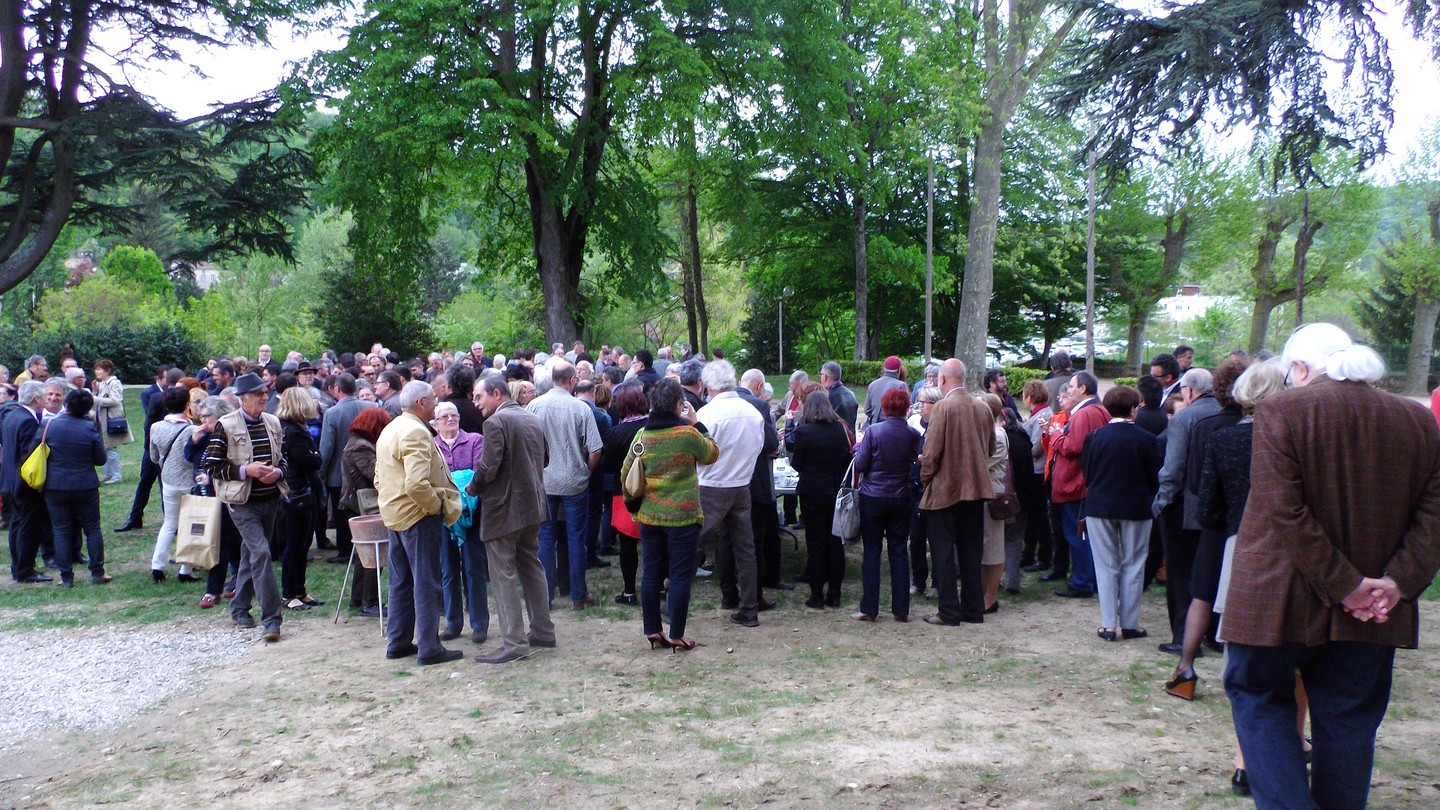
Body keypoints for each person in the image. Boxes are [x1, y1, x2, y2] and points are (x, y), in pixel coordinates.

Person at [1222, 324, 1440, 808]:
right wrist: (1395, 584)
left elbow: (1283, 509)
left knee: (1259, 699)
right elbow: (1433, 515)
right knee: (1349, 720)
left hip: (1279, 598)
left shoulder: (1281, 409)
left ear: (1299, 368)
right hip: (1374, 608)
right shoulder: (1418, 420)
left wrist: (1349, 586)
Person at [620, 378, 719, 651]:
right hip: (683, 518)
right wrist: (696, 422)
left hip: (650, 518)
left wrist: (634, 507)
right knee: (679, 576)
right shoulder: (687, 435)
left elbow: (626, 474)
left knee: (651, 574)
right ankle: (676, 633)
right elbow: (712, 453)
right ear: (679, 405)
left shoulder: (642, 437)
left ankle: (652, 629)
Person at [467, 374, 557, 664]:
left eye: (479, 397)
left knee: (502, 573)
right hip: (532, 506)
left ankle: (514, 643)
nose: (476, 403)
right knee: (531, 565)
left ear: (496, 393)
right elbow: (544, 459)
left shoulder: (496, 422)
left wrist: (472, 487)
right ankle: (542, 631)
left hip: (505, 510)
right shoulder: (530, 417)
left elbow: (488, 466)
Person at [375, 381, 464, 665]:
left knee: (401, 582)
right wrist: (435, 506)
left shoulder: (392, 428)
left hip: (395, 513)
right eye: (434, 400)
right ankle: (429, 647)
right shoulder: (415, 431)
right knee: (426, 583)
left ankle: (398, 642)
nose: (437, 406)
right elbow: (416, 483)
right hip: (417, 516)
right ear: (421, 403)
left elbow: (379, 477)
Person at [202, 372, 289, 642]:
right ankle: (272, 620)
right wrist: (246, 470)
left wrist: (278, 473)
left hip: (270, 498)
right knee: (261, 553)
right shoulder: (225, 425)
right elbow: (211, 465)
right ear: (243, 398)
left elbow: (283, 459)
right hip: (241, 503)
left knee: (251, 554)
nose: (265, 397)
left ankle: (239, 607)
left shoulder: (273, 421)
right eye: (259, 394)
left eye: (266, 393)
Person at [918, 358, 995, 626]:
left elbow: (931, 453)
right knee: (971, 551)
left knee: (943, 552)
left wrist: (925, 477)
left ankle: (948, 611)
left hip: (945, 490)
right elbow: (991, 448)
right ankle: (973, 609)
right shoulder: (983, 407)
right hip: (976, 489)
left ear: (941, 380)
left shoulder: (943, 408)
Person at [1079, 386, 1159, 641]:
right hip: (1136, 507)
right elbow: (1153, 477)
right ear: (1134, 408)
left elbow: (1088, 474)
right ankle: (1131, 623)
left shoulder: (1094, 437)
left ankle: (1108, 624)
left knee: (1106, 565)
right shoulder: (1147, 439)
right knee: (1134, 564)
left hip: (1100, 506)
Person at [695, 360, 769, 626]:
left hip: (711, 485)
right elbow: (760, 447)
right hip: (741, 485)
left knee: (692, 541)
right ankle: (749, 607)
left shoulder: (706, 414)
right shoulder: (754, 413)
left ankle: (670, 592)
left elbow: (699, 453)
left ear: (708, 385)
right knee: (745, 549)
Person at [1152, 367, 1219, 654]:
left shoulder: (1185, 419)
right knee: (1215, 571)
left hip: (1185, 506)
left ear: (1189, 392)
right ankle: (1215, 633)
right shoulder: (1233, 413)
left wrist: (1161, 501)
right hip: (1222, 509)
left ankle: (1184, 635)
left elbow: (1173, 468)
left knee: (1180, 572)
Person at [853, 386, 921, 621]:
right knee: (899, 552)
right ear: (906, 408)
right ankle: (901, 609)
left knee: (872, 552)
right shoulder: (913, 434)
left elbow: (861, 464)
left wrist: (858, 450)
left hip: (873, 496)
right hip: (901, 496)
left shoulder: (873, 432)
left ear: (884, 407)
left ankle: (869, 607)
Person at [787, 389, 854, 609]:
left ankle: (816, 595)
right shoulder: (840, 429)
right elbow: (847, 458)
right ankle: (834, 593)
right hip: (835, 492)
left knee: (816, 543)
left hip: (812, 492)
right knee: (835, 542)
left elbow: (797, 464)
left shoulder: (805, 432)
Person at [433, 400, 489, 643]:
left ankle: (479, 624)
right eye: (444, 417)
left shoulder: (475, 440)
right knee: (447, 568)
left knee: (473, 568)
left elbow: (477, 473)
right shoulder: (431, 446)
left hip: (471, 515)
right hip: (442, 515)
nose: (450, 419)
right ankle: (453, 623)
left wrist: (453, 485)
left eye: (453, 415)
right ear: (435, 425)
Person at [1049, 371, 1109, 599]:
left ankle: (1082, 581)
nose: (1069, 390)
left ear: (1083, 389)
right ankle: (1090, 579)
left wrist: (1055, 435)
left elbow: (1073, 447)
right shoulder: (1100, 410)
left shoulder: (1085, 414)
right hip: (1089, 483)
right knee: (1087, 535)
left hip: (1076, 484)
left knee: (1078, 535)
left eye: (1072, 386)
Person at [43, 389, 109, 586]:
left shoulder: (50, 425)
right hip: (85, 485)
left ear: (67, 404)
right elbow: (100, 459)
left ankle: (66, 576)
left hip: (56, 485)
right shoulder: (89, 428)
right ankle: (97, 571)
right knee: (92, 529)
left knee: (61, 530)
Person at [598, 383, 650, 605]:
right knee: (655, 542)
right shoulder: (653, 428)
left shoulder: (617, 432)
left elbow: (607, 465)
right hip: (654, 492)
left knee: (627, 545)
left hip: (625, 493)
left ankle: (629, 592)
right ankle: (658, 588)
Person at [190, 396, 244, 610]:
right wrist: (193, 441)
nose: (203, 420)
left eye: (207, 416)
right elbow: (191, 458)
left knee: (227, 543)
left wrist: (211, 478)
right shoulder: (205, 435)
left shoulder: (231, 434)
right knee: (224, 543)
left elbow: (236, 464)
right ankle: (225, 586)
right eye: (200, 416)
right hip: (208, 498)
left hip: (228, 496)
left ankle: (220, 588)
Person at [339, 406, 392, 616]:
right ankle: (370, 602)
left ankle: (359, 598)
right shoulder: (361, 447)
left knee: (365, 555)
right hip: (363, 506)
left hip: (355, 505)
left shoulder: (358, 444)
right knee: (374, 554)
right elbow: (375, 473)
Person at [276, 386, 325, 611]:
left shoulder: (295, 428)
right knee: (295, 544)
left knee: (303, 544)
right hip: (298, 493)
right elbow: (312, 461)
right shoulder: (293, 431)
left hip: (304, 491)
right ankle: (289, 593)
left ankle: (299, 590)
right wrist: (315, 455)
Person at [149, 387, 200, 583]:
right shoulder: (192, 430)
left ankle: (157, 565)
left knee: (169, 524)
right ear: (187, 405)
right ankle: (185, 570)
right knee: (192, 526)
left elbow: (153, 457)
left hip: (168, 481)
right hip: (190, 482)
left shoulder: (156, 427)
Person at [319, 372, 370, 565]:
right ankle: (366, 541)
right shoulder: (370, 407)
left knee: (342, 513)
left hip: (338, 474)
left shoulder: (332, 413)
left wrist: (321, 473)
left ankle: (345, 550)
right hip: (366, 469)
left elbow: (326, 447)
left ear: (337, 389)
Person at [3, 381, 51, 582]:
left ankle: (18, 566)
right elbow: (28, 456)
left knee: (16, 524)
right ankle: (25, 570)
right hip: (24, 484)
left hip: (9, 481)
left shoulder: (11, 416)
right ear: (37, 399)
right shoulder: (27, 421)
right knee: (28, 526)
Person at [978, 393, 1010, 613]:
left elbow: (981, 464)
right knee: (983, 548)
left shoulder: (998, 435)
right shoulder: (988, 432)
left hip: (993, 497)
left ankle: (990, 597)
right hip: (981, 494)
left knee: (993, 549)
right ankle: (982, 594)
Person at [92, 359, 132, 484]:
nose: (96, 372)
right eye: (96, 369)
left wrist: (95, 398)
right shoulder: (103, 383)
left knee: (110, 448)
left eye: (99, 369)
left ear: (107, 370)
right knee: (105, 447)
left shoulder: (114, 383)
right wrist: (96, 391)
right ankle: (109, 474)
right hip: (102, 419)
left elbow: (115, 400)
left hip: (110, 420)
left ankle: (116, 475)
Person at [863, 356, 908, 426]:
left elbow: (867, 410)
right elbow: (905, 410)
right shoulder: (901, 385)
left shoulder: (872, 384)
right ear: (899, 370)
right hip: (894, 427)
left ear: (884, 369)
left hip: (875, 426)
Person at [820, 361, 859, 431]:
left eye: (821, 374)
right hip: (851, 438)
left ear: (825, 377)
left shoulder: (826, 397)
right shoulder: (851, 394)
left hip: (835, 439)